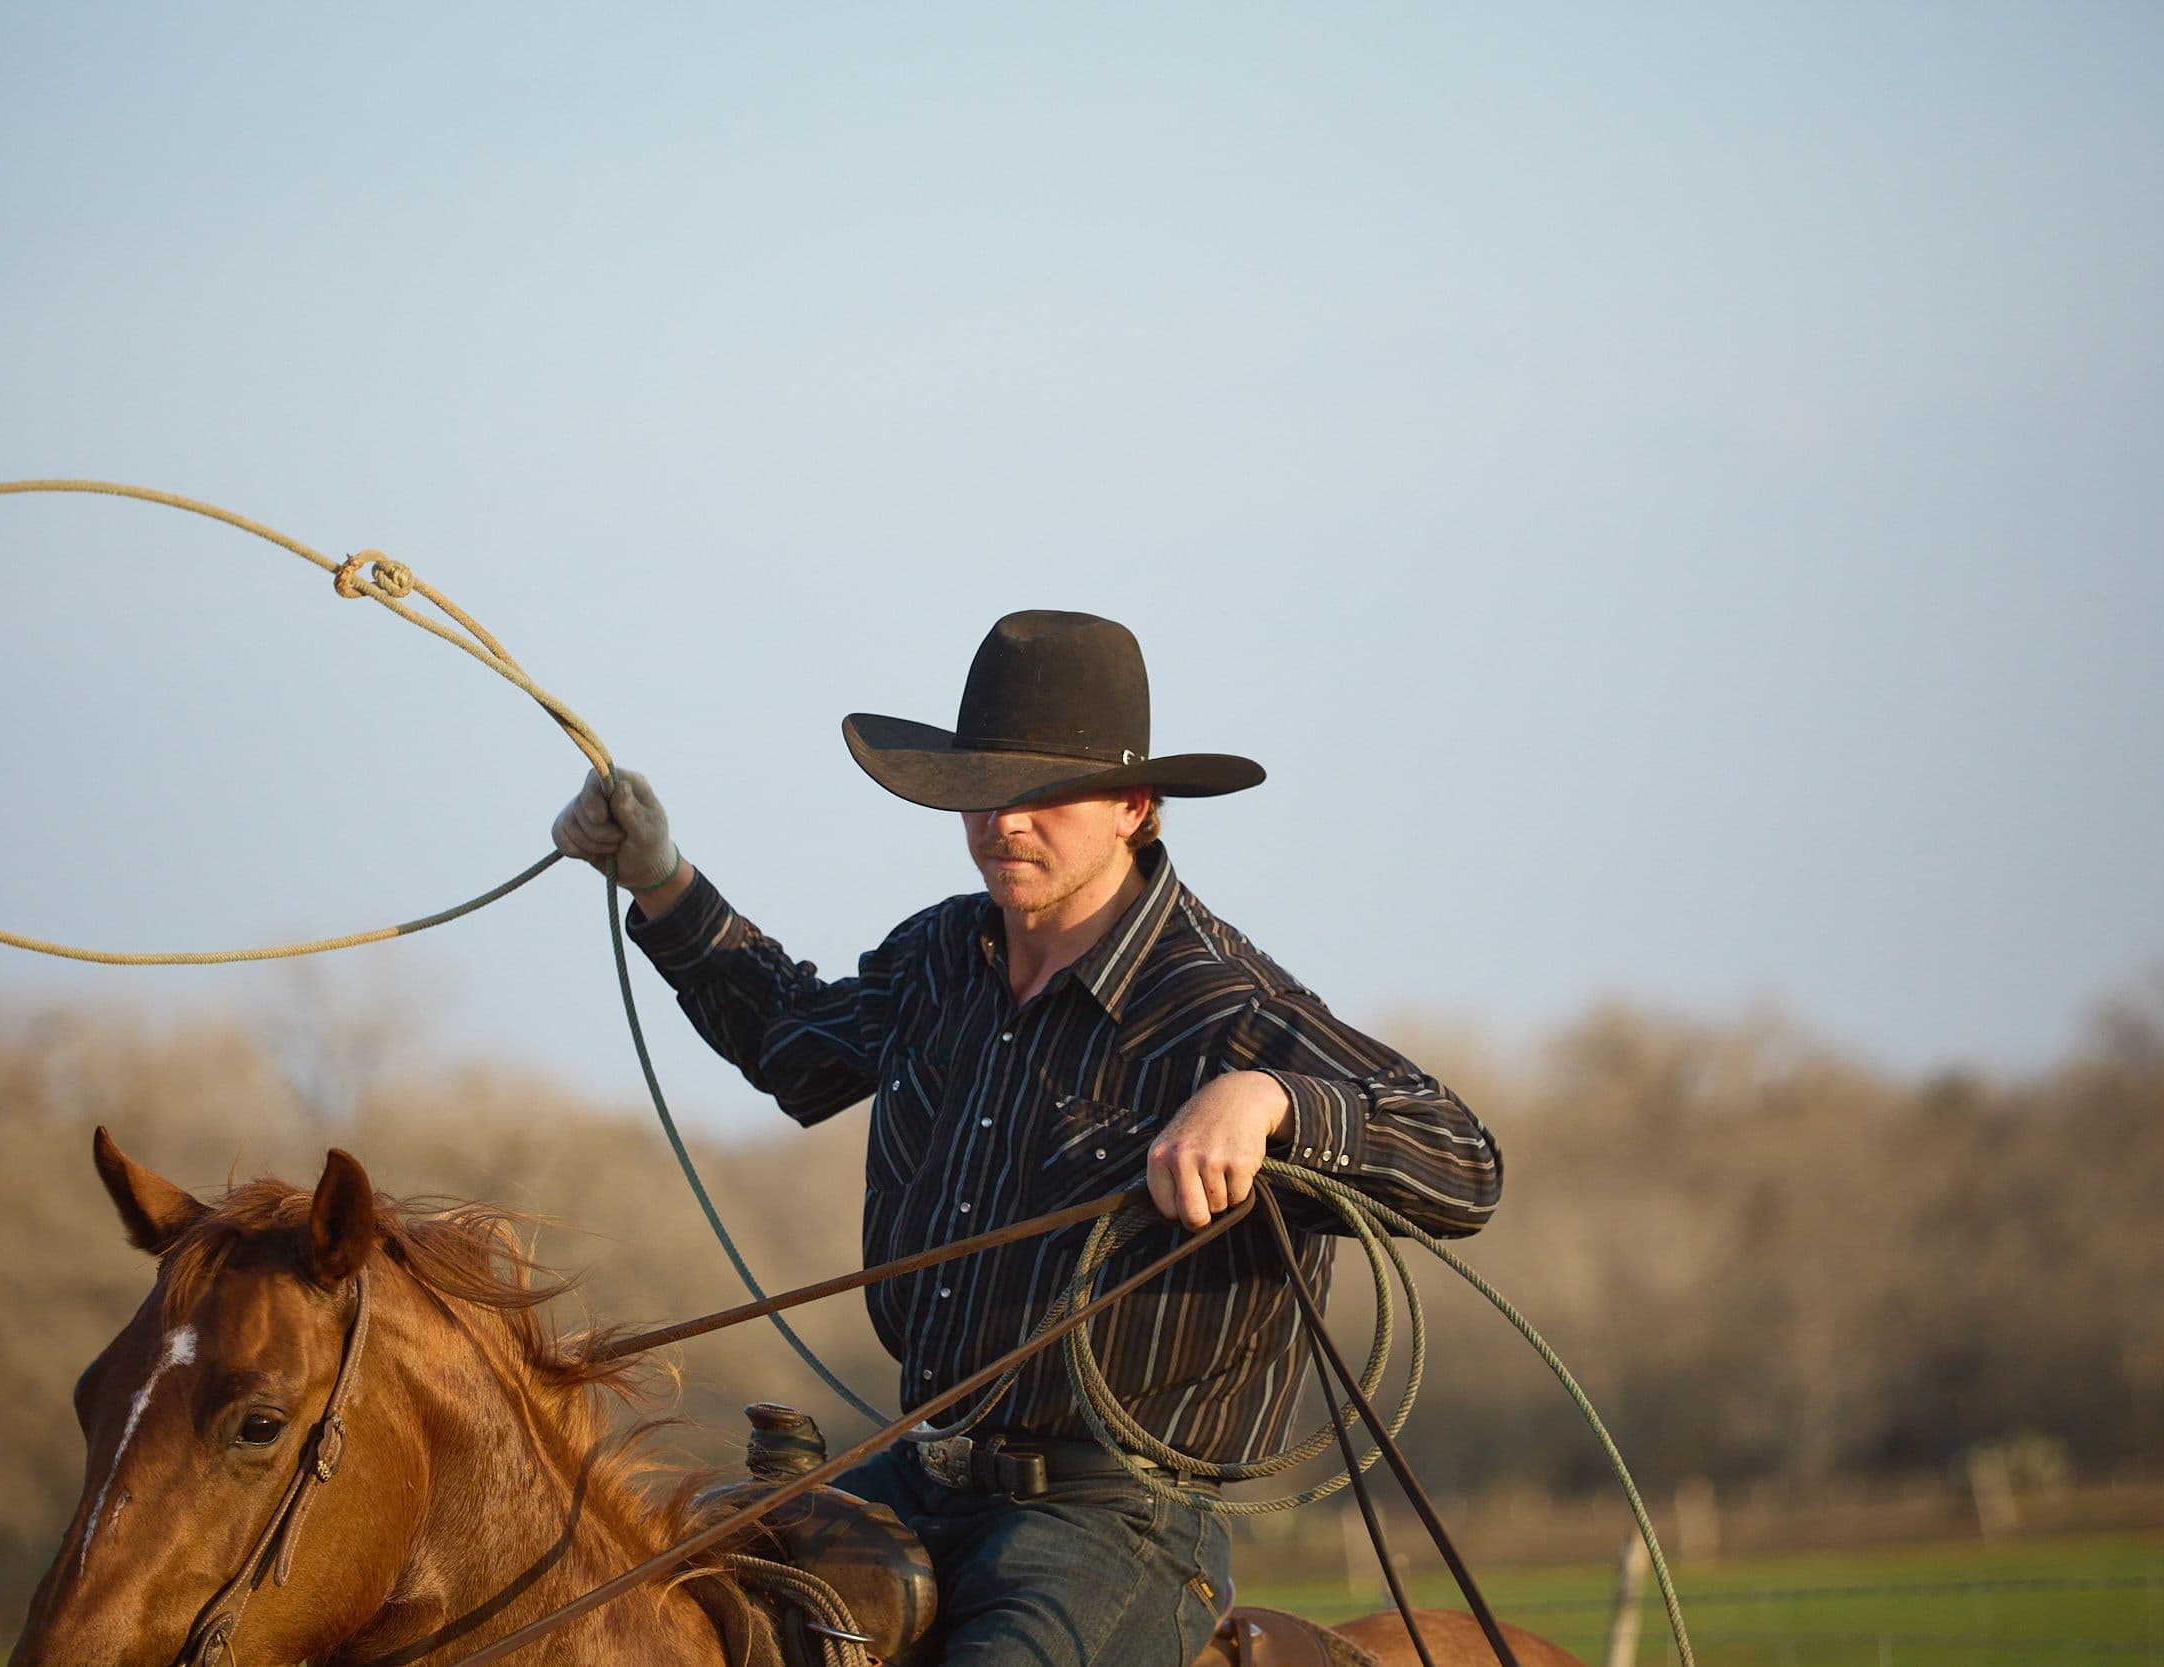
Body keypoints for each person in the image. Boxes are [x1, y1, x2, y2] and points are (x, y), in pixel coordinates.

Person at [552, 609, 1502, 1667]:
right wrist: (659, 876)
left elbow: (1465, 1161)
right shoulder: (940, 957)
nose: (1003, 822)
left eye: (1043, 795)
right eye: (982, 791)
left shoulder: (1226, 1007)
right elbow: (791, 1042)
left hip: (1115, 1522)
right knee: (655, 1610)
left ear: (1133, 807)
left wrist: (1270, 1100)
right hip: (916, 1476)